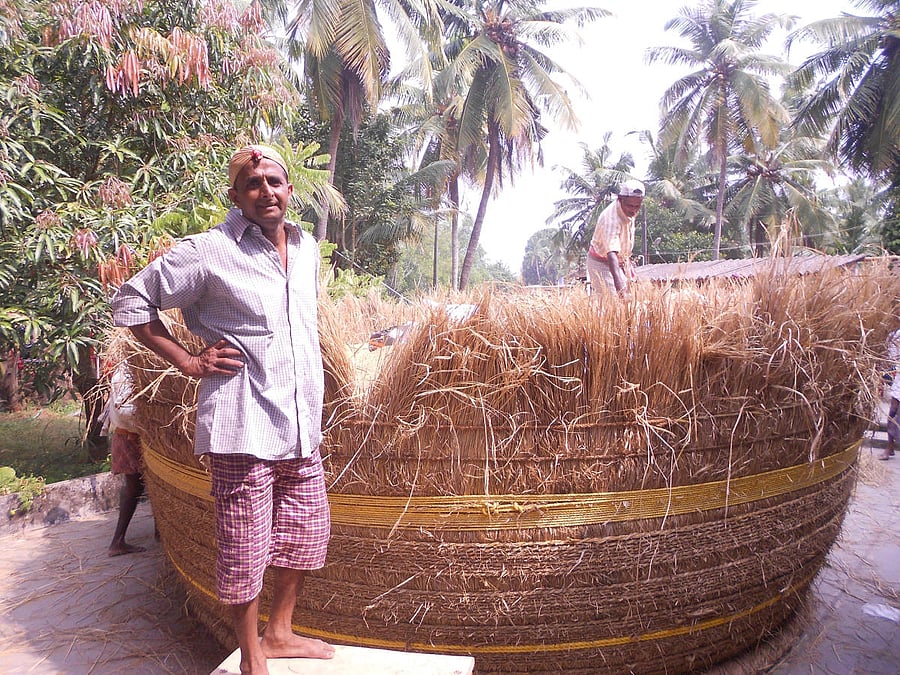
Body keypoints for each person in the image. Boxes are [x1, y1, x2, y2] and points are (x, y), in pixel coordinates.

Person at [111, 144, 334, 674]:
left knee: (305, 529)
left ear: (290, 189)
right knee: (244, 543)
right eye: (253, 184)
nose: (266, 192)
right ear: (235, 195)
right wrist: (188, 360)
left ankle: (280, 633)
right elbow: (132, 301)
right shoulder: (210, 250)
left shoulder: (306, 250)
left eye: (274, 182)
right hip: (242, 420)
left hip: (301, 422)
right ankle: (251, 654)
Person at [101, 361, 146, 556]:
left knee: (140, 485)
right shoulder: (126, 369)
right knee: (134, 486)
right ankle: (117, 542)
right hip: (130, 436)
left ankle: (159, 533)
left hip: (131, 434)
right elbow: (124, 409)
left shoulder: (129, 365)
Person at [586, 179, 645, 297]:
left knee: (631, 300)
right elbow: (611, 254)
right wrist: (620, 289)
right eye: (630, 206)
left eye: (637, 206)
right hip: (601, 262)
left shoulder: (629, 211)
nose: (633, 210)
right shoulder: (610, 219)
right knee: (614, 302)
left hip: (619, 262)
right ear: (620, 199)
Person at [882, 327, 900, 460]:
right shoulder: (897, 334)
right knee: (892, 413)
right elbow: (892, 357)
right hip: (899, 381)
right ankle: (889, 448)